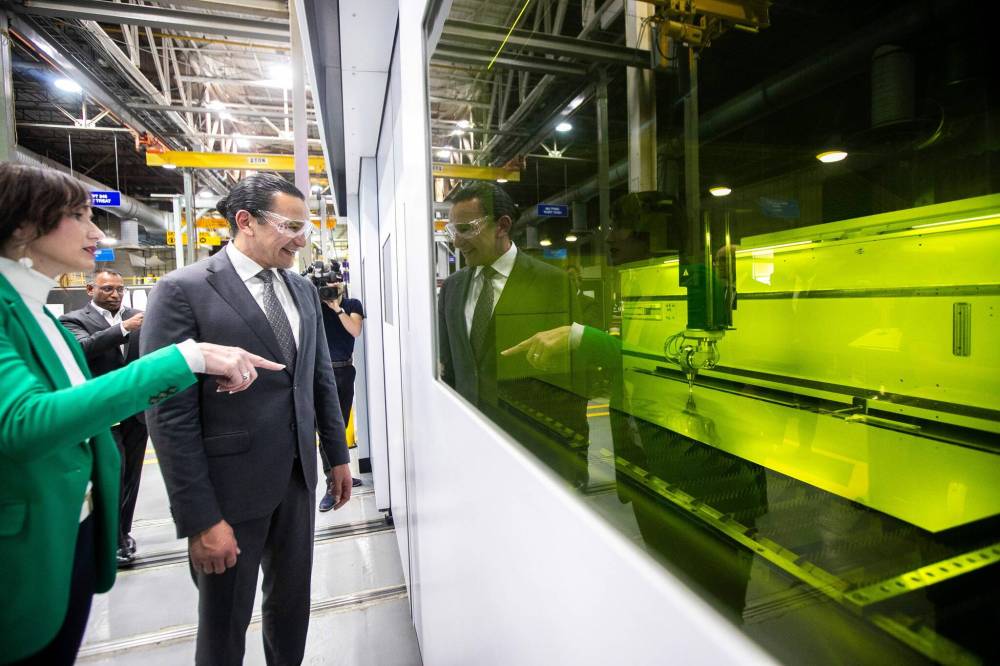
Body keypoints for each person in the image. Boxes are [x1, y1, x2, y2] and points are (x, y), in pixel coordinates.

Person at [0, 162, 282, 665]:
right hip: (27, 545)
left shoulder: (36, 311)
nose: (95, 233)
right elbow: (23, 422)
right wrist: (182, 360)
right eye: (77, 217)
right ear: (22, 226)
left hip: (71, 531)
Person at [141, 173, 353, 666]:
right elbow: (168, 415)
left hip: (297, 480)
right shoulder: (183, 290)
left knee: (292, 607)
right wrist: (200, 517)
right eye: (290, 227)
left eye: (305, 228)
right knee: (224, 621)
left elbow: (318, 377)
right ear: (246, 221)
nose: (301, 240)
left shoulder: (301, 289)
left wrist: (336, 456)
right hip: (228, 492)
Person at [437, 182, 588, 485]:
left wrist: (573, 457)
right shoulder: (452, 289)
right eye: (453, 231)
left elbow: (574, 378)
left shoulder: (551, 284)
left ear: (502, 226)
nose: (457, 242)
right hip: (470, 453)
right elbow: (452, 371)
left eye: (466, 229)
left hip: (533, 455)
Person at [60, 269, 148, 565]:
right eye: (108, 288)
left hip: (137, 412)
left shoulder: (138, 316)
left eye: (120, 289)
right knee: (112, 476)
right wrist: (123, 328)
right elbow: (82, 348)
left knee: (131, 477)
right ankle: (110, 540)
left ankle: (123, 534)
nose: (115, 294)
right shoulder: (73, 320)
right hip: (103, 413)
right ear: (90, 290)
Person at [317, 268, 365, 512]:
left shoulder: (352, 304)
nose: (330, 288)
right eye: (325, 284)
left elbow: (355, 330)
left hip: (344, 371)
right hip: (320, 373)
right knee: (326, 428)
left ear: (342, 283)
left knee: (340, 425)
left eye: (334, 283)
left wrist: (337, 308)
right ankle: (331, 484)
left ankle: (340, 474)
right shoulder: (315, 305)